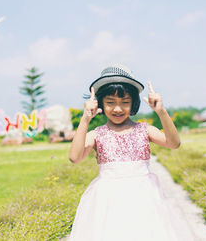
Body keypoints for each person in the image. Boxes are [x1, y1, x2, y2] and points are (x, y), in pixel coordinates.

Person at [68, 64, 193, 241]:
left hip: (144, 199)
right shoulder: (97, 134)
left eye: (125, 102)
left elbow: (174, 143)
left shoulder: (145, 129)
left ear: (133, 103)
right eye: (110, 102)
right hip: (108, 201)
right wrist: (85, 119)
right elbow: (74, 157)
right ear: (101, 102)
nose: (117, 109)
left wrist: (161, 112)